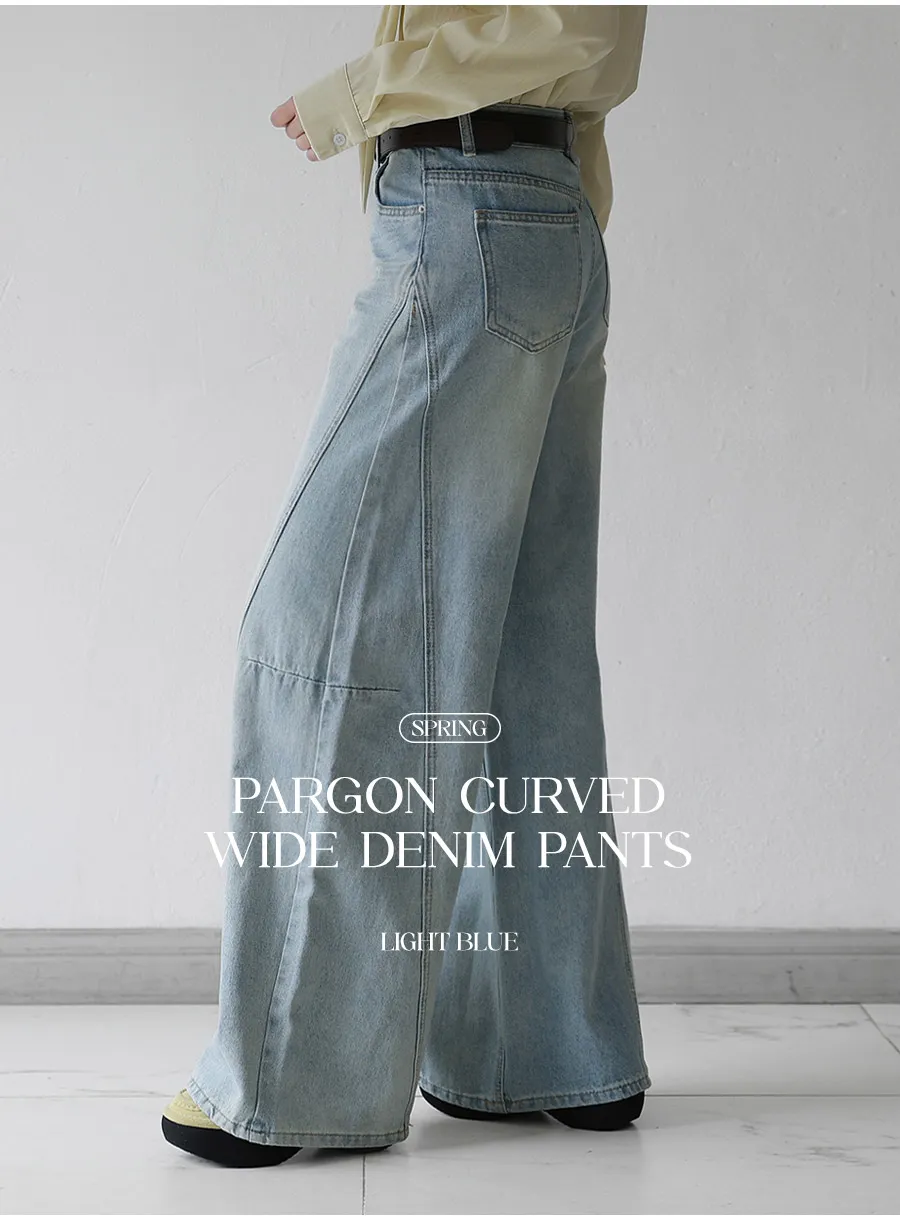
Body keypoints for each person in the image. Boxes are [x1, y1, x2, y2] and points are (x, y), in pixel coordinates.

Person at [162, 4, 650, 1167]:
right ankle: (545, 1046)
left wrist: (365, 91)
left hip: (473, 207)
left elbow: (583, 29)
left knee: (328, 628)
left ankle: (296, 1074)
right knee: (522, 652)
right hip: (531, 215)